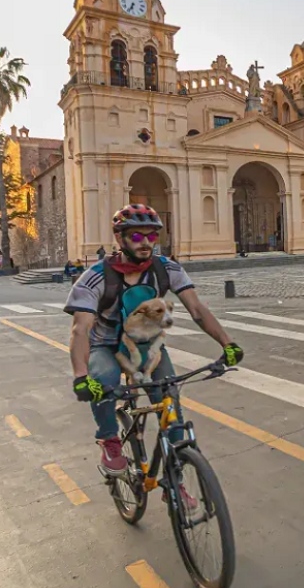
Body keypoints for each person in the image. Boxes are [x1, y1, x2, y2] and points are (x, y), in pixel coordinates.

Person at [65, 203, 244, 475]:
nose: (145, 242)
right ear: (120, 238)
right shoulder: (96, 277)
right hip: (107, 345)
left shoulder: (165, 268)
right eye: (137, 236)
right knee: (104, 382)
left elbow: (197, 309)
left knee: (169, 399)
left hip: (147, 345)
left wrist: (227, 343)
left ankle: (177, 477)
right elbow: (81, 329)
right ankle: (110, 439)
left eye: (151, 236)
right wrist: (80, 376)